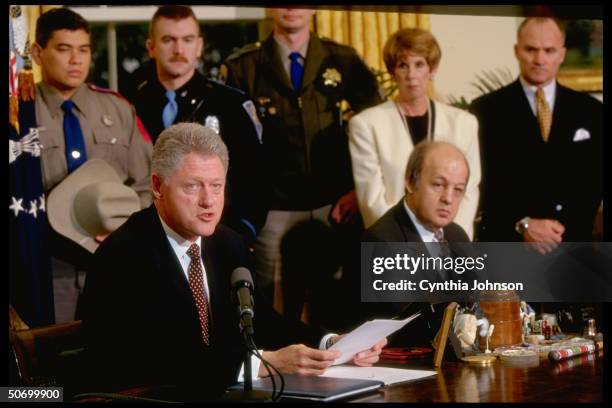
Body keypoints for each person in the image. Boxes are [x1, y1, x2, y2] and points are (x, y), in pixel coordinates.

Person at [82, 123, 385, 400]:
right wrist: (265, 364)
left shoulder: (227, 243)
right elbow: (160, 359)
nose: (209, 201)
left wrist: (330, 344)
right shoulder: (123, 256)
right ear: (158, 187)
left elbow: (262, 323)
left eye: (217, 186)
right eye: (192, 186)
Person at [221, 8, 382, 312]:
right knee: (273, 306)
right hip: (272, 210)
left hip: (333, 207)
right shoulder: (243, 66)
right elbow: (231, 149)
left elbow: (378, 128)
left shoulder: (343, 60)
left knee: (335, 306)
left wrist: (356, 192)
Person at [31, 7, 152, 321]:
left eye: (83, 50)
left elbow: (146, 185)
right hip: (46, 265)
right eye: (63, 49)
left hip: (114, 260)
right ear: (37, 52)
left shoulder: (118, 108)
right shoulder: (21, 115)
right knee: (48, 356)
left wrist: (123, 227)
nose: (76, 60)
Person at [132, 5, 267, 244]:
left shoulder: (231, 105)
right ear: (151, 48)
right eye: (168, 40)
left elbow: (255, 180)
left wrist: (239, 235)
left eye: (187, 39)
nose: (179, 49)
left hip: (218, 238)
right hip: (149, 242)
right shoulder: (132, 105)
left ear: (200, 46)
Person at [470, 17, 602, 246]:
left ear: (562, 54)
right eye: (531, 49)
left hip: (574, 247)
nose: (540, 59)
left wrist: (563, 228)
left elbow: (595, 180)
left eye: (549, 51)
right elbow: (481, 184)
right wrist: (525, 224)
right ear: (516, 51)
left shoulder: (591, 111)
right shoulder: (485, 110)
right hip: (509, 246)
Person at [349, 28, 480, 240]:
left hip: (448, 244)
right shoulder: (366, 125)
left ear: (432, 69)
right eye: (403, 66)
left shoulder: (463, 123)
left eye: (419, 64)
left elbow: (468, 191)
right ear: (392, 73)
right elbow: (371, 200)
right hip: (394, 244)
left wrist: (449, 240)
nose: (411, 76)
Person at [346, 141, 472, 347]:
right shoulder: (383, 242)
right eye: (438, 185)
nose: (448, 198)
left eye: (458, 189)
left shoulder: (456, 234)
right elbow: (409, 329)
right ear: (411, 183)